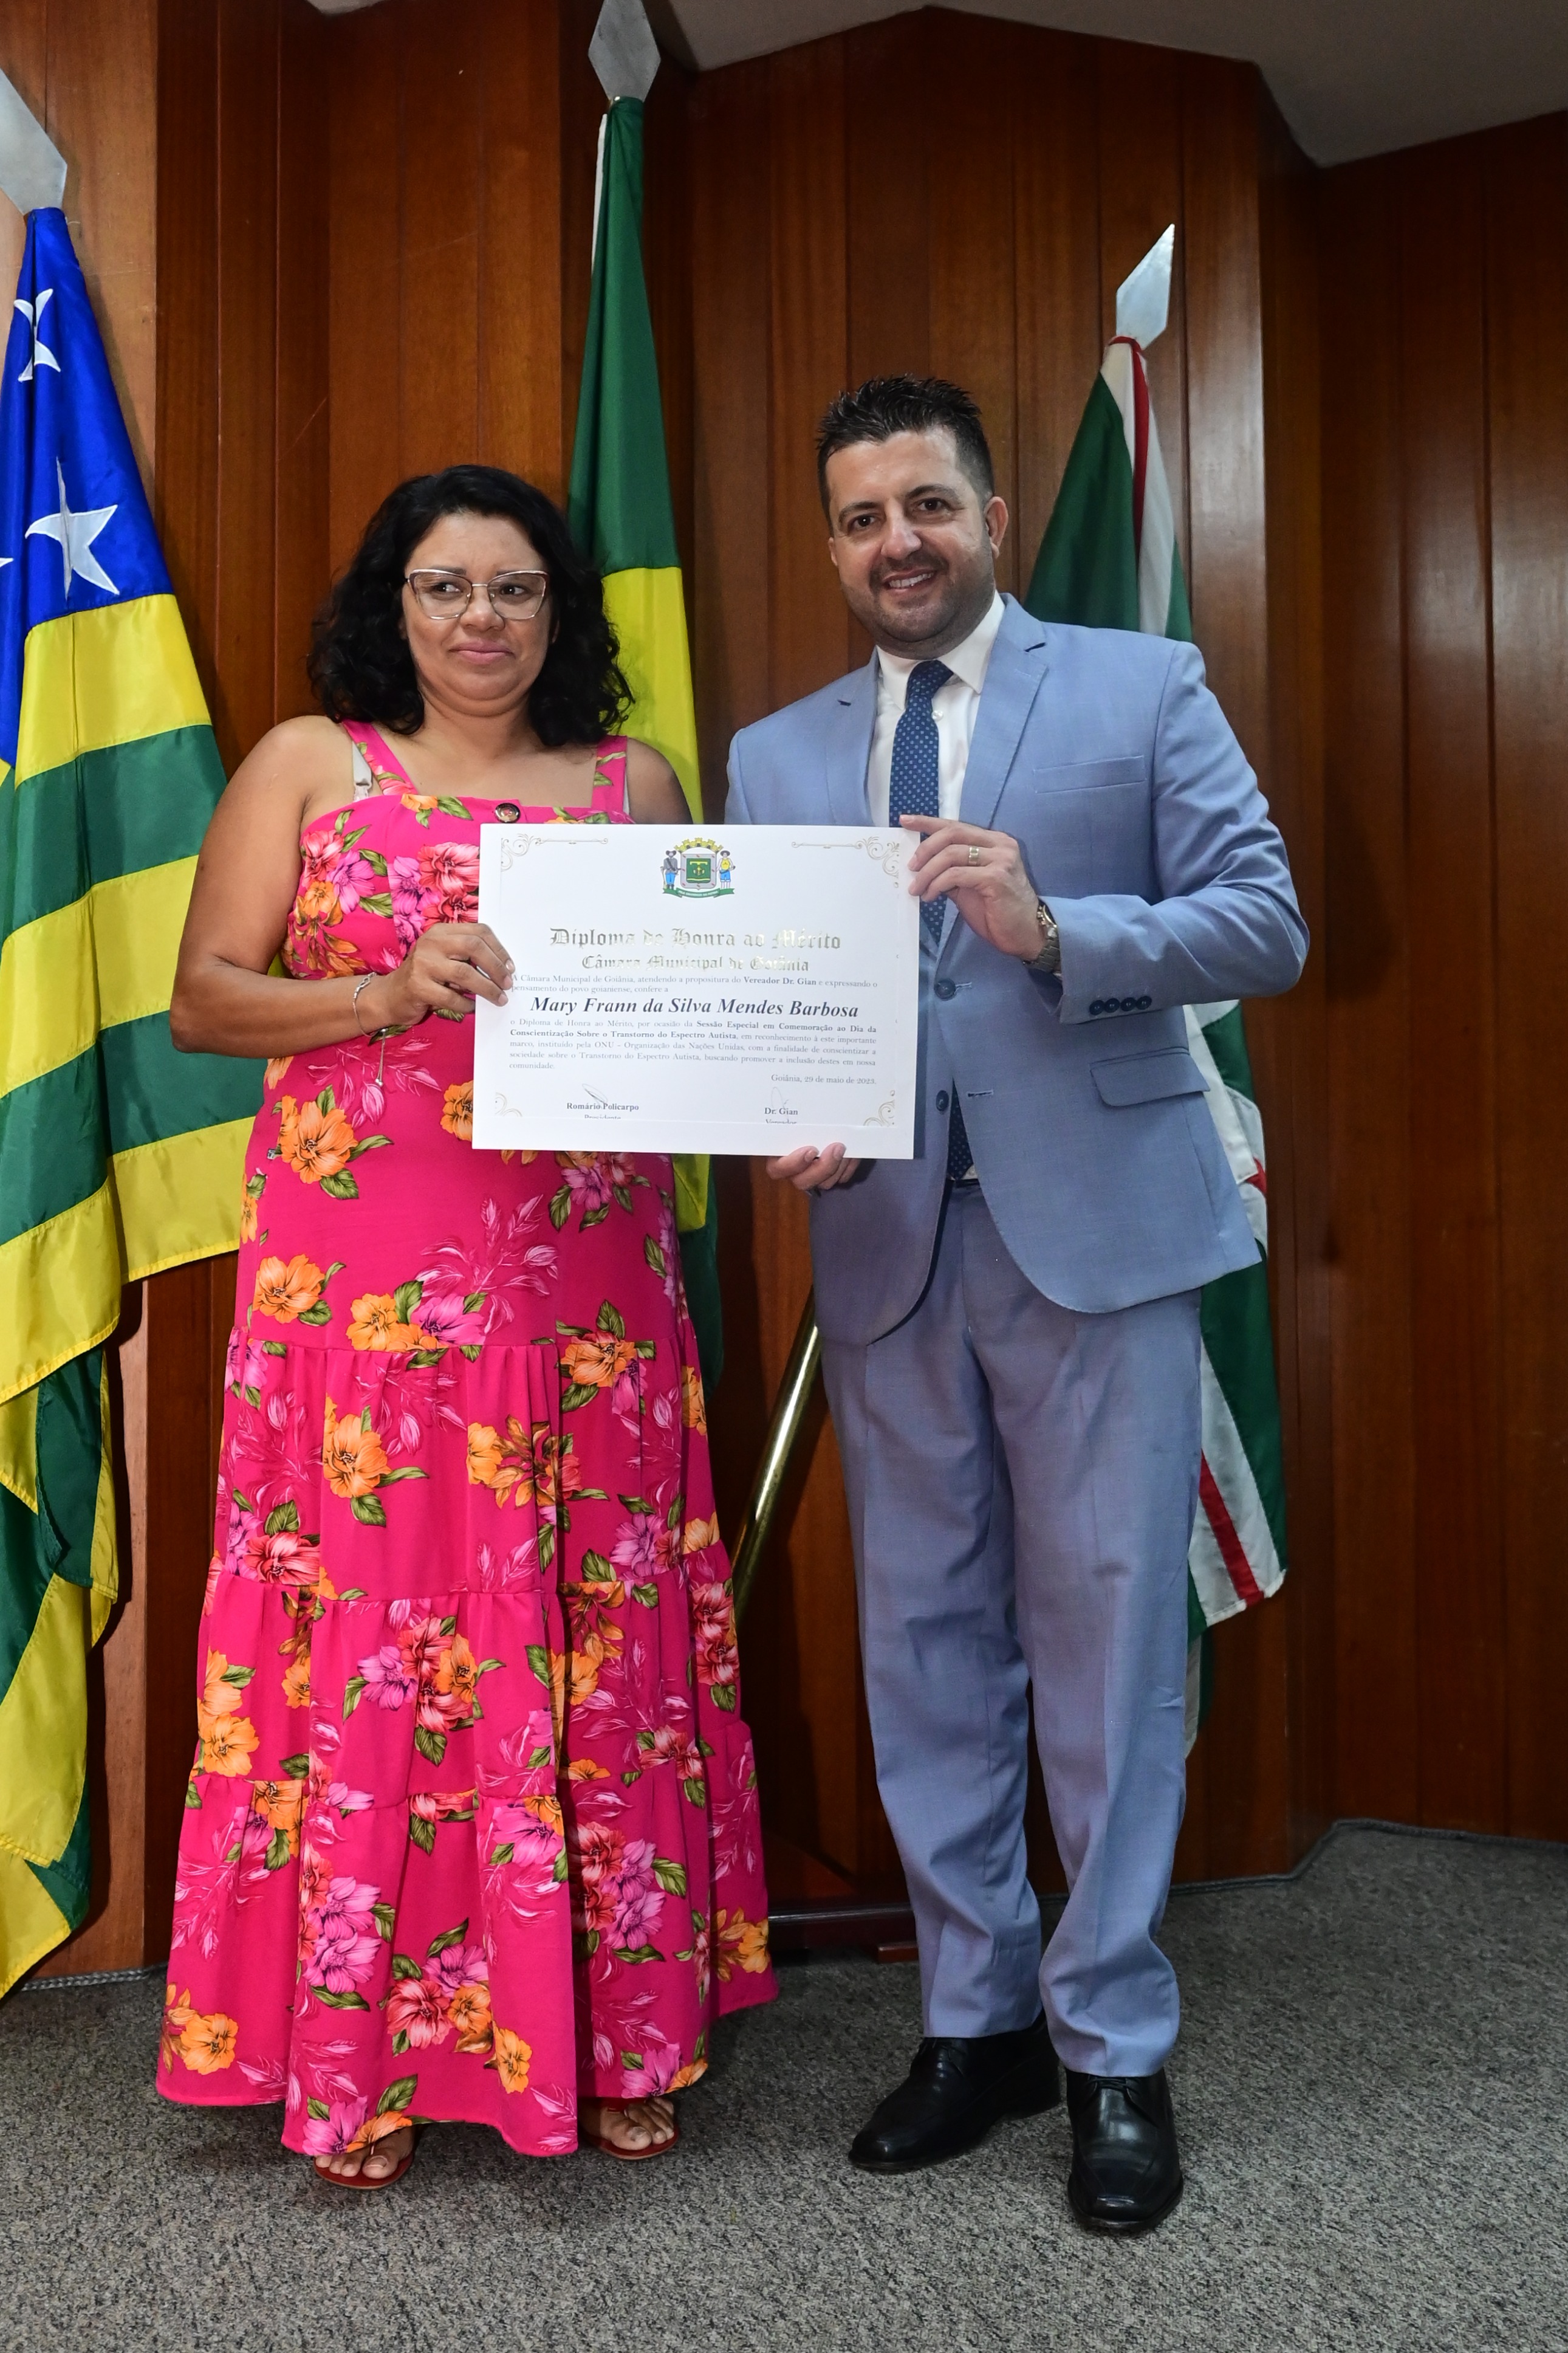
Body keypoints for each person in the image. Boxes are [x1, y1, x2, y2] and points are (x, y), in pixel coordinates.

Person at [725, 377, 1305, 2233]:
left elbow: (1266, 921)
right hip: (886, 1252)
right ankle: (974, 2024)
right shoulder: (775, 755)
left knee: (1112, 1647)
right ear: (832, 548)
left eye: (927, 505)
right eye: (860, 517)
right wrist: (779, 1116)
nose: (896, 542)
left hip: (1103, 1242)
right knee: (925, 1644)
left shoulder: (1141, 686)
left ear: (986, 517)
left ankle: (1113, 2043)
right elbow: (765, 1006)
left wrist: (1059, 930)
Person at [160, 464, 774, 2186]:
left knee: (596, 1642)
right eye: (445, 586)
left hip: (587, 1295)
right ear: (394, 604)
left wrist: (792, 1093)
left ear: (559, 613)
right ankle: (353, 2054)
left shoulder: (636, 786)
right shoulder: (309, 763)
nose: (481, 618)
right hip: (361, 1298)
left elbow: (709, 1014)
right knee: (377, 1638)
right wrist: (380, 991)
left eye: (515, 588)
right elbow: (202, 1001)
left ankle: (615, 2033)